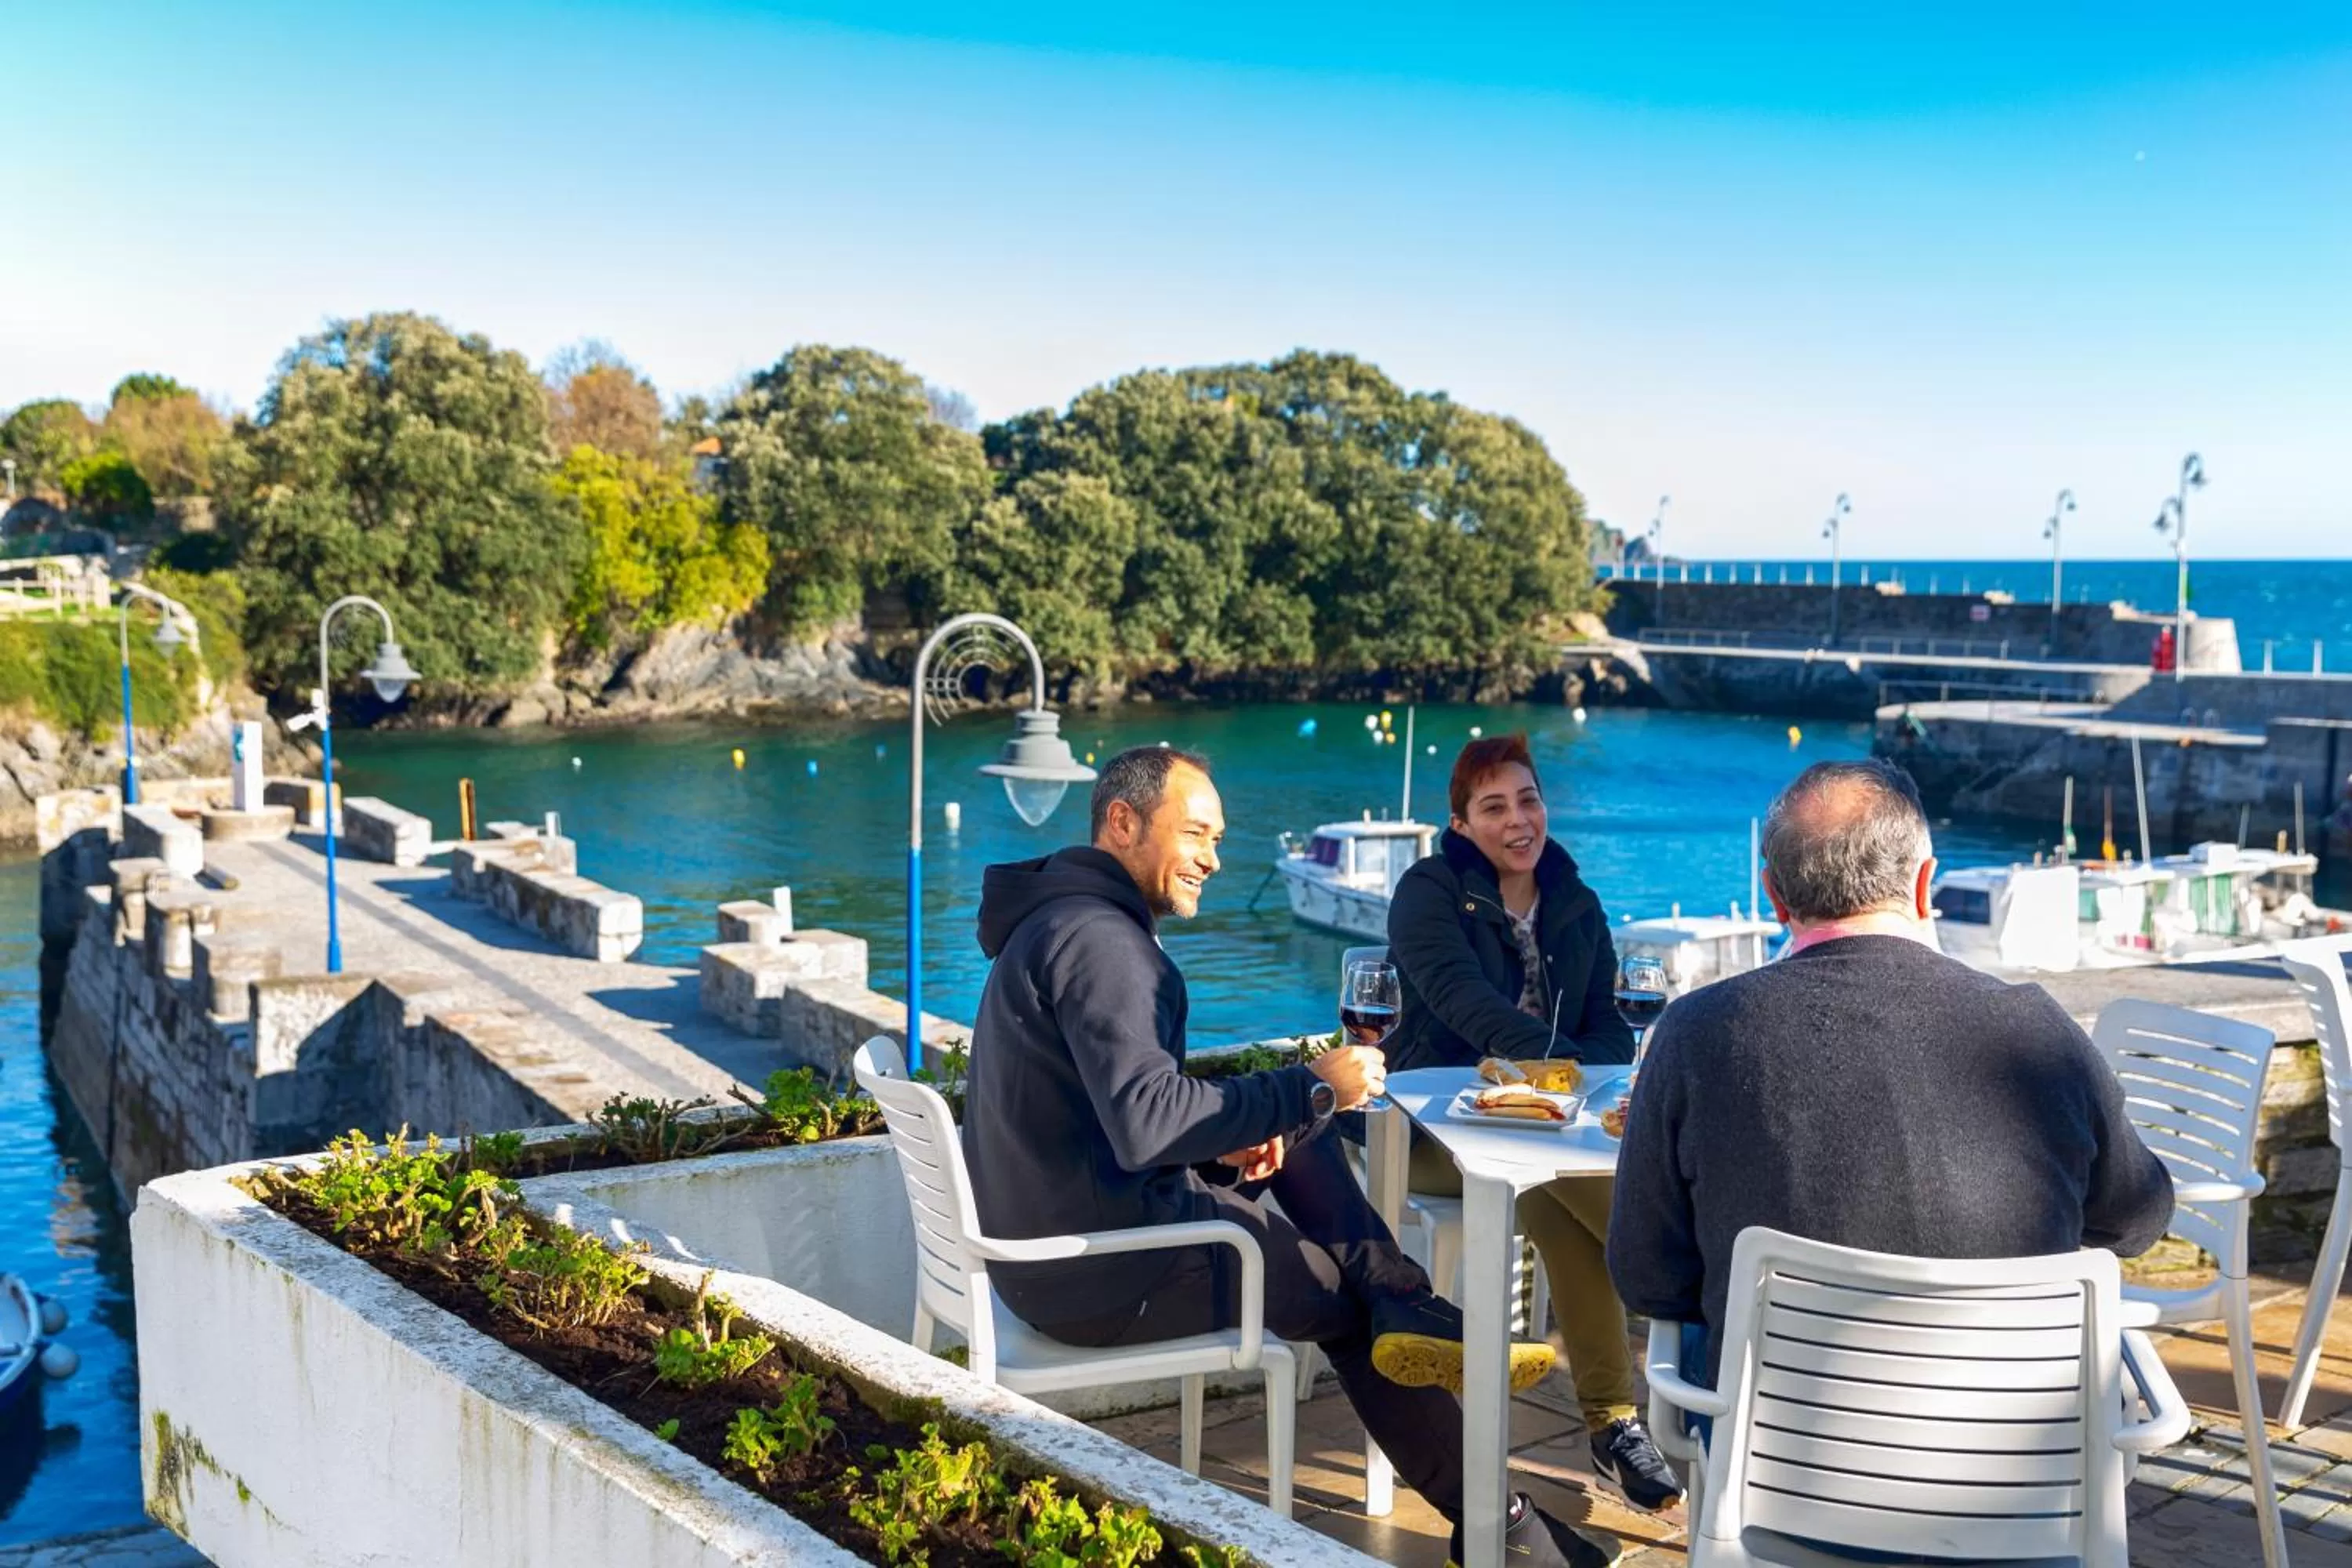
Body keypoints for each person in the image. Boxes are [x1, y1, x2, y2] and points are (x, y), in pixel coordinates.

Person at [964, 745, 1621, 1568]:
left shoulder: (1059, 918)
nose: (1212, 856)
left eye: (1219, 837)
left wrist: (1266, 1123)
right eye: (1196, 833)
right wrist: (1311, 1086)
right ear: (1123, 822)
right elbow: (1146, 1120)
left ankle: (1402, 1296)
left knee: (1299, 1127)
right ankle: (1499, 1521)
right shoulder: (1103, 943)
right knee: (1342, 1299)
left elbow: (1114, 1117)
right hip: (1102, 1270)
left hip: (1063, 1233)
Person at [1606, 757, 2174, 1439]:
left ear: (1775, 898)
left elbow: (1647, 1276)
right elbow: (2136, 1218)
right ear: (1925, 884)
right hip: (2019, 1477)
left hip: (1784, 1466)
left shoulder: (1696, 1033)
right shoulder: (2037, 1031)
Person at [1385, 734, 1683, 1514]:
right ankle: (1672, 1305)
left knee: (1565, 1190)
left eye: (1528, 798)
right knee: (1569, 1190)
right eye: (1494, 806)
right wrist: (1561, 1072)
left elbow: (1612, 1028)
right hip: (1432, 1127)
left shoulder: (1575, 900)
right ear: (1460, 823)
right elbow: (1464, 1005)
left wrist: (1570, 1083)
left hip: (1551, 1127)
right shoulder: (1429, 891)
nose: (1519, 820)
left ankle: (1616, 1423)